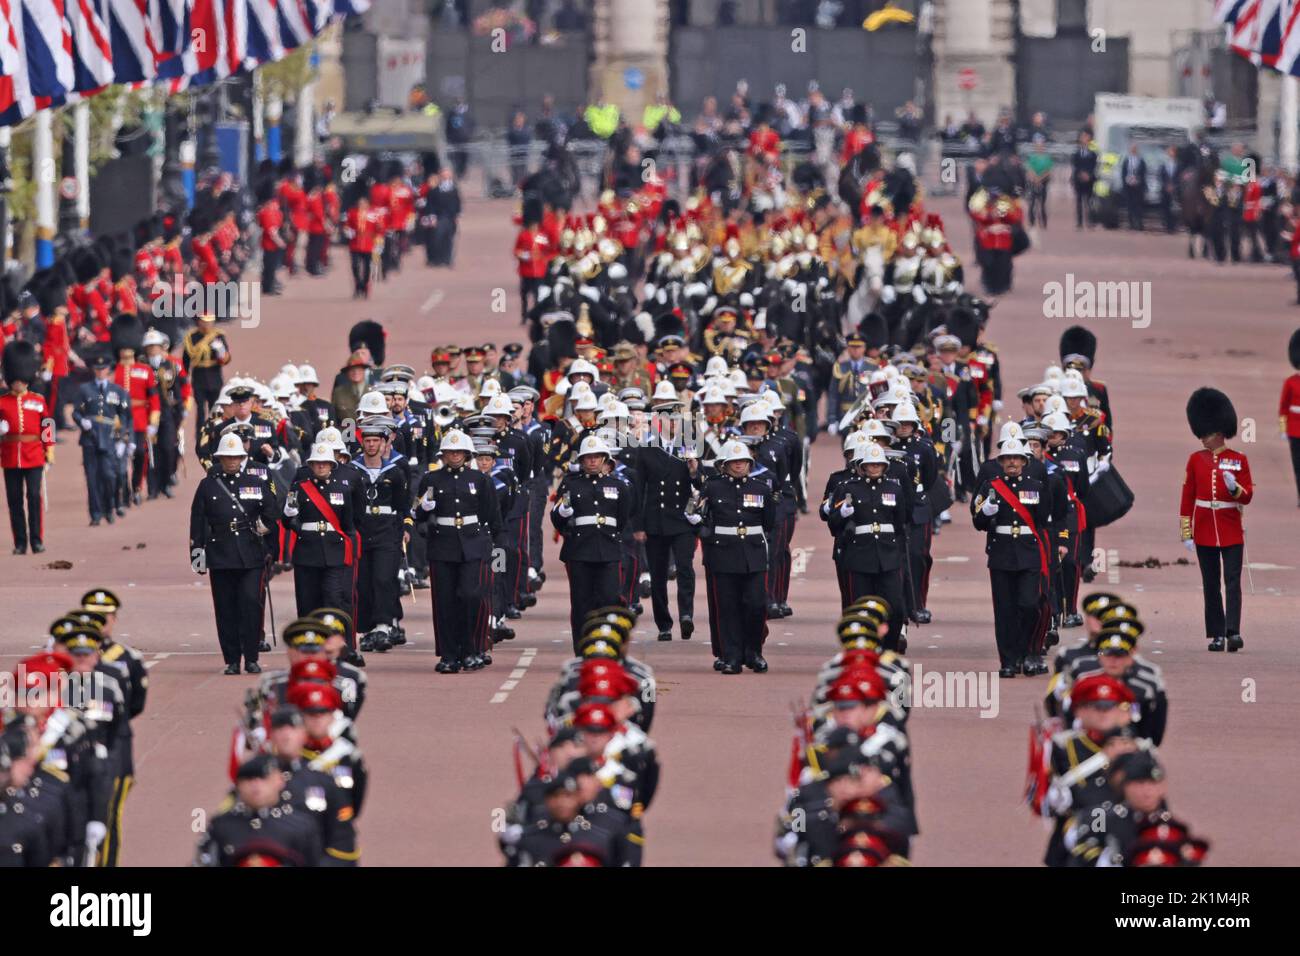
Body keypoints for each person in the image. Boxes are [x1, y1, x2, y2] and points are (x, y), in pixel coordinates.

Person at [189, 432, 280, 675]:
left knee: (250, 603)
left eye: (235, 457)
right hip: (220, 553)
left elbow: (272, 510)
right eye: (226, 457)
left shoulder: (256, 482)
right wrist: (197, 553)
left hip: (251, 552)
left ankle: (251, 656)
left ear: (242, 457)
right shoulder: (208, 485)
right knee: (225, 608)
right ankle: (231, 659)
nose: (231, 461)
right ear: (220, 458)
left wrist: (266, 534)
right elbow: (198, 521)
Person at [413, 429, 502, 672]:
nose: (454, 455)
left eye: (458, 451)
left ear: (466, 453)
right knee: (445, 602)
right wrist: (424, 507)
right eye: (450, 451)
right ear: (443, 454)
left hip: (473, 544)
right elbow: (417, 511)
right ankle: (449, 655)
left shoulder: (480, 480)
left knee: (471, 596)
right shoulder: (431, 479)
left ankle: (473, 649)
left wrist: (487, 544)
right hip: (442, 544)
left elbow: (491, 516)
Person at [1179, 388, 1252, 652]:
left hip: (1230, 528)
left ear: (1219, 432)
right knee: (1211, 584)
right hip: (1205, 529)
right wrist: (1186, 531)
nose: (1202, 439)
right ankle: (1216, 634)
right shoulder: (1195, 460)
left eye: (1206, 434)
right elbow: (1187, 498)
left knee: (1232, 582)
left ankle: (1233, 631)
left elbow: (1247, 497)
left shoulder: (1239, 460)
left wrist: (1234, 488)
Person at [973, 439, 1051, 677]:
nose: (1012, 463)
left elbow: (1044, 520)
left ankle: (1028, 650)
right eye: (1008, 459)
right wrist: (985, 513)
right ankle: (1008, 660)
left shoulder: (1036, 486)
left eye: (1017, 458)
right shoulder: (990, 486)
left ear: (1024, 462)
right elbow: (978, 522)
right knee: (1004, 610)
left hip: (1029, 552)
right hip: (1002, 553)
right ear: (1002, 462)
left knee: (1029, 604)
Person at [697, 439, 775, 674]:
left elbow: (769, 522)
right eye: (734, 461)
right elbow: (698, 515)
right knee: (728, 608)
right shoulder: (712, 488)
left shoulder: (761, 488)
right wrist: (701, 528)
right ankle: (731, 656)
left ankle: (754, 652)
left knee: (756, 605)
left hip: (753, 553)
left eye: (743, 461)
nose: (739, 465)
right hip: (723, 552)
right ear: (724, 465)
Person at [551, 434, 636, 651]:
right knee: (581, 603)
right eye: (588, 457)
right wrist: (563, 512)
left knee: (609, 599)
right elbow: (557, 518)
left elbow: (622, 518)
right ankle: (582, 648)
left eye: (597, 457)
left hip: (608, 549)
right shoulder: (571, 484)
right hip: (579, 550)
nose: (592, 461)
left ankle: (606, 645)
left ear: (605, 459)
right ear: (581, 461)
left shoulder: (617, 486)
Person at [282, 441, 357, 628]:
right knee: (308, 602)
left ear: (332, 464)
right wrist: (290, 516)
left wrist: (351, 552)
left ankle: (334, 644)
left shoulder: (343, 489)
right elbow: (287, 521)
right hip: (307, 551)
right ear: (311, 465)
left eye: (325, 462)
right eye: (317, 462)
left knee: (333, 598)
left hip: (335, 552)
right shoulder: (299, 488)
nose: (321, 465)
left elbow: (348, 525)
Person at [1, 341, 54, 553]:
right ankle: (20, 542)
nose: (18, 384)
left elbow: (46, 425)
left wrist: (49, 450)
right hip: (10, 456)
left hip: (34, 455)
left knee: (33, 497)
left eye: (22, 380)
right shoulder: (2, 402)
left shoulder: (38, 400)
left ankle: (37, 540)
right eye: (15, 380)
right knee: (14, 501)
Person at [73, 352, 131, 527]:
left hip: (110, 437)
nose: (100, 372)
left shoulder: (117, 391)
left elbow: (126, 417)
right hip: (90, 437)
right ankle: (95, 514)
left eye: (103, 369)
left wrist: (123, 439)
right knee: (92, 478)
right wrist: (81, 421)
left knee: (109, 476)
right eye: (97, 369)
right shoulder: (84, 389)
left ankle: (110, 508)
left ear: (108, 370)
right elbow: (76, 411)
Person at [426, 168, 462, 267]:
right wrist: (432, 217)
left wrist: (457, 215)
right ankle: (438, 259)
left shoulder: (454, 190)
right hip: (439, 217)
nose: (446, 176)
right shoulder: (435, 190)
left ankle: (448, 259)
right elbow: (430, 204)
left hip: (450, 217)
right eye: (444, 174)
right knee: (438, 238)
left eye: (448, 174)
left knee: (449, 239)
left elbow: (457, 203)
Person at [1282, 330, 1300, 506]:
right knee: (1297, 465)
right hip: (1294, 429)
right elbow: (1283, 408)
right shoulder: (1290, 382)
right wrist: (1283, 429)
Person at [1071, 131, 1097, 229]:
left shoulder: (1093, 154)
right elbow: (1075, 166)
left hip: (1089, 181)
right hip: (1079, 180)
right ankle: (1079, 223)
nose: (1085, 140)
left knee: (1089, 202)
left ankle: (1090, 222)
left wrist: (1088, 175)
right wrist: (1081, 174)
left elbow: (1094, 166)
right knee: (1079, 202)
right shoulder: (1076, 154)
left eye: (1086, 138)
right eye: (1083, 138)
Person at [1121, 144, 1147, 231]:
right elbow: (1123, 173)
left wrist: (1137, 180)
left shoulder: (1141, 160)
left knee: (1138, 206)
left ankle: (1139, 224)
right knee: (1130, 205)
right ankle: (1131, 224)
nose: (1133, 150)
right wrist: (1127, 180)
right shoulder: (1126, 160)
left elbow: (1143, 173)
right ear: (1129, 150)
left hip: (1138, 186)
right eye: (1132, 148)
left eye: (1135, 148)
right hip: (1128, 186)